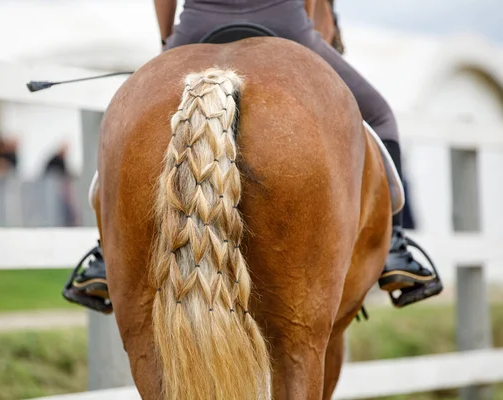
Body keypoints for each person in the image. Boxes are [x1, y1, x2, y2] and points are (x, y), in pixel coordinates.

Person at [63, 0, 442, 311]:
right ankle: (395, 247)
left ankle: (105, 252)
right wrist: (303, 25)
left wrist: (169, 43)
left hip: (196, 24)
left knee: (125, 124)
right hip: (286, 22)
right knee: (380, 116)